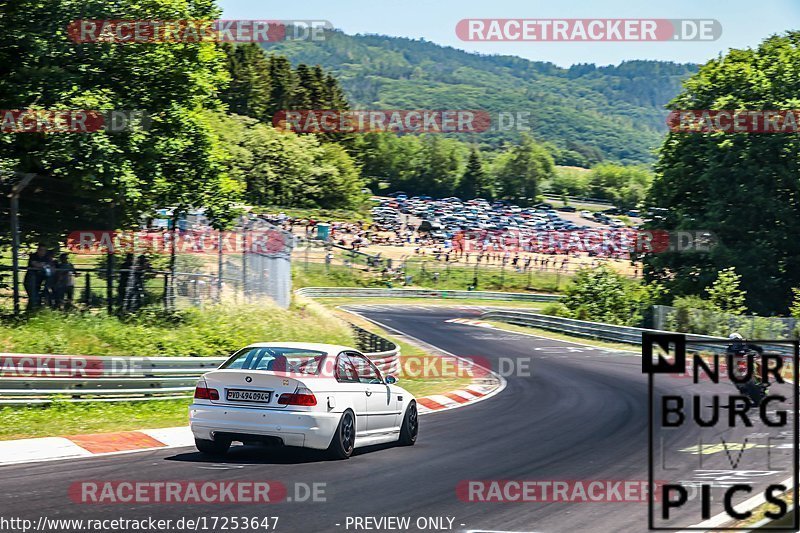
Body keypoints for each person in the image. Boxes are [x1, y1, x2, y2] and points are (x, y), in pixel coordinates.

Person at [23, 245, 48, 309]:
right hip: (30, 281)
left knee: (36, 297)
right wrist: (43, 265)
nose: (43, 252)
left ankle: (32, 311)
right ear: (38, 250)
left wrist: (41, 265)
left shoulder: (46, 258)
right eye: (41, 250)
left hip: (38, 282)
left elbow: (49, 265)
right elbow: (35, 264)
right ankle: (30, 311)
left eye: (44, 250)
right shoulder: (33, 256)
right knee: (33, 297)